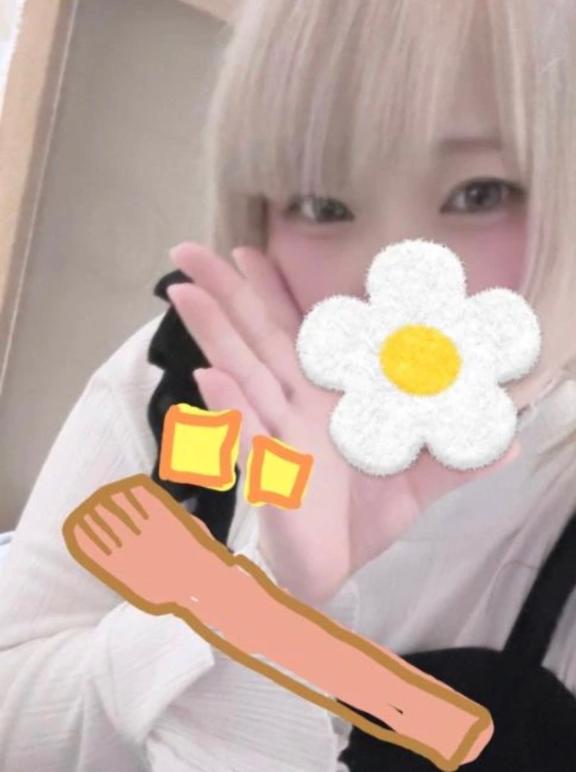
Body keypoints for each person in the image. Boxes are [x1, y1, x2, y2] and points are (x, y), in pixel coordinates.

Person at [1, 0, 576, 769]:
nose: (387, 270)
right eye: (322, 203)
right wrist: (273, 591)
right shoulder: (186, 382)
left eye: (479, 193)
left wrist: (223, 606)